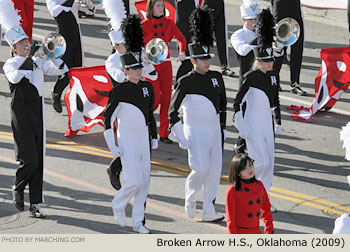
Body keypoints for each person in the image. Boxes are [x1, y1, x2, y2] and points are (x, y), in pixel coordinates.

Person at [1, 0, 68, 218]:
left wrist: (54, 56)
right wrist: (31, 58)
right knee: (29, 158)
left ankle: (36, 203)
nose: (26, 46)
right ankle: (18, 188)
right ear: (13, 48)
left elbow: (59, 69)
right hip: (21, 111)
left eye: (27, 43)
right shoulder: (11, 64)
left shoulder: (36, 61)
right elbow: (14, 76)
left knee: (40, 159)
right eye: (22, 44)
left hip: (38, 110)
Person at [168, 6, 226, 222]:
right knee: (200, 169)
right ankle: (190, 198)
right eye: (202, 59)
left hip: (214, 131)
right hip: (196, 131)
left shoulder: (216, 77)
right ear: (193, 61)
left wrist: (222, 128)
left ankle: (209, 209)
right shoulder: (186, 82)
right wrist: (181, 136)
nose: (207, 62)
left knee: (214, 172)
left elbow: (222, 104)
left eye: (208, 59)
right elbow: (172, 113)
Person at [103, 15, 157, 234]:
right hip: (126, 139)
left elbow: (149, 114)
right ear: (126, 71)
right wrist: (112, 145)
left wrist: (153, 136)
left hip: (143, 138)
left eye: (139, 68)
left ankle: (138, 222)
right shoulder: (119, 90)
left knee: (144, 183)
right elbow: (107, 120)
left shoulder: (147, 88)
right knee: (134, 181)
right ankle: (118, 202)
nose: (138, 71)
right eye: (133, 69)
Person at [233, 9, 281, 212]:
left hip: (266, 121)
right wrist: (241, 126)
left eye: (271, 61)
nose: (270, 63)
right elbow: (237, 103)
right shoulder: (250, 77)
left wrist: (278, 121)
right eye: (266, 61)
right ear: (258, 61)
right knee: (258, 162)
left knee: (269, 162)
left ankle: (265, 199)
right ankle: (248, 193)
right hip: (252, 119)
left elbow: (275, 100)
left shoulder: (273, 76)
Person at [142, 0, 187, 144]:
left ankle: (163, 133)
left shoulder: (169, 23)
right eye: (158, 6)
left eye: (162, 6)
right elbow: (137, 44)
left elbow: (181, 38)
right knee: (154, 100)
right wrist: (143, 56)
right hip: (151, 67)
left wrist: (182, 51)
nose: (161, 8)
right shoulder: (144, 25)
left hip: (165, 64)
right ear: (151, 8)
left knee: (167, 98)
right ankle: (146, 128)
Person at [230, 0, 259, 155]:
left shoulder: (260, 33)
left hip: (262, 77)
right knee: (246, 111)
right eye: (250, 19)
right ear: (243, 19)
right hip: (247, 77)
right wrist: (260, 42)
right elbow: (242, 51)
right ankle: (240, 145)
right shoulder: (238, 35)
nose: (254, 22)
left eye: (255, 19)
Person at [47, 0, 84, 113]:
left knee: (78, 70)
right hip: (63, 40)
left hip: (76, 36)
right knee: (66, 71)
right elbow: (56, 11)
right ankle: (56, 93)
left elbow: (89, 11)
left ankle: (77, 103)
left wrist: (88, 3)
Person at [225, 153, 273, 234]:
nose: (249, 169)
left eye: (250, 165)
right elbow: (230, 219)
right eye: (244, 168)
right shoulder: (232, 191)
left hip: (256, 231)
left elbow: (267, 209)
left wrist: (269, 231)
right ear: (237, 172)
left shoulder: (259, 185)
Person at [270, 0, 307, 96]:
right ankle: (274, 80)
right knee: (279, 45)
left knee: (297, 45)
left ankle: (295, 83)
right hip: (280, 6)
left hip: (294, 7)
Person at [203, 0, 235, 77]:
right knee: (204, 38)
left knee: (221, 36)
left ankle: (225, 66)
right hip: (206, 6)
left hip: (219, 5)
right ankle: (203, 66)